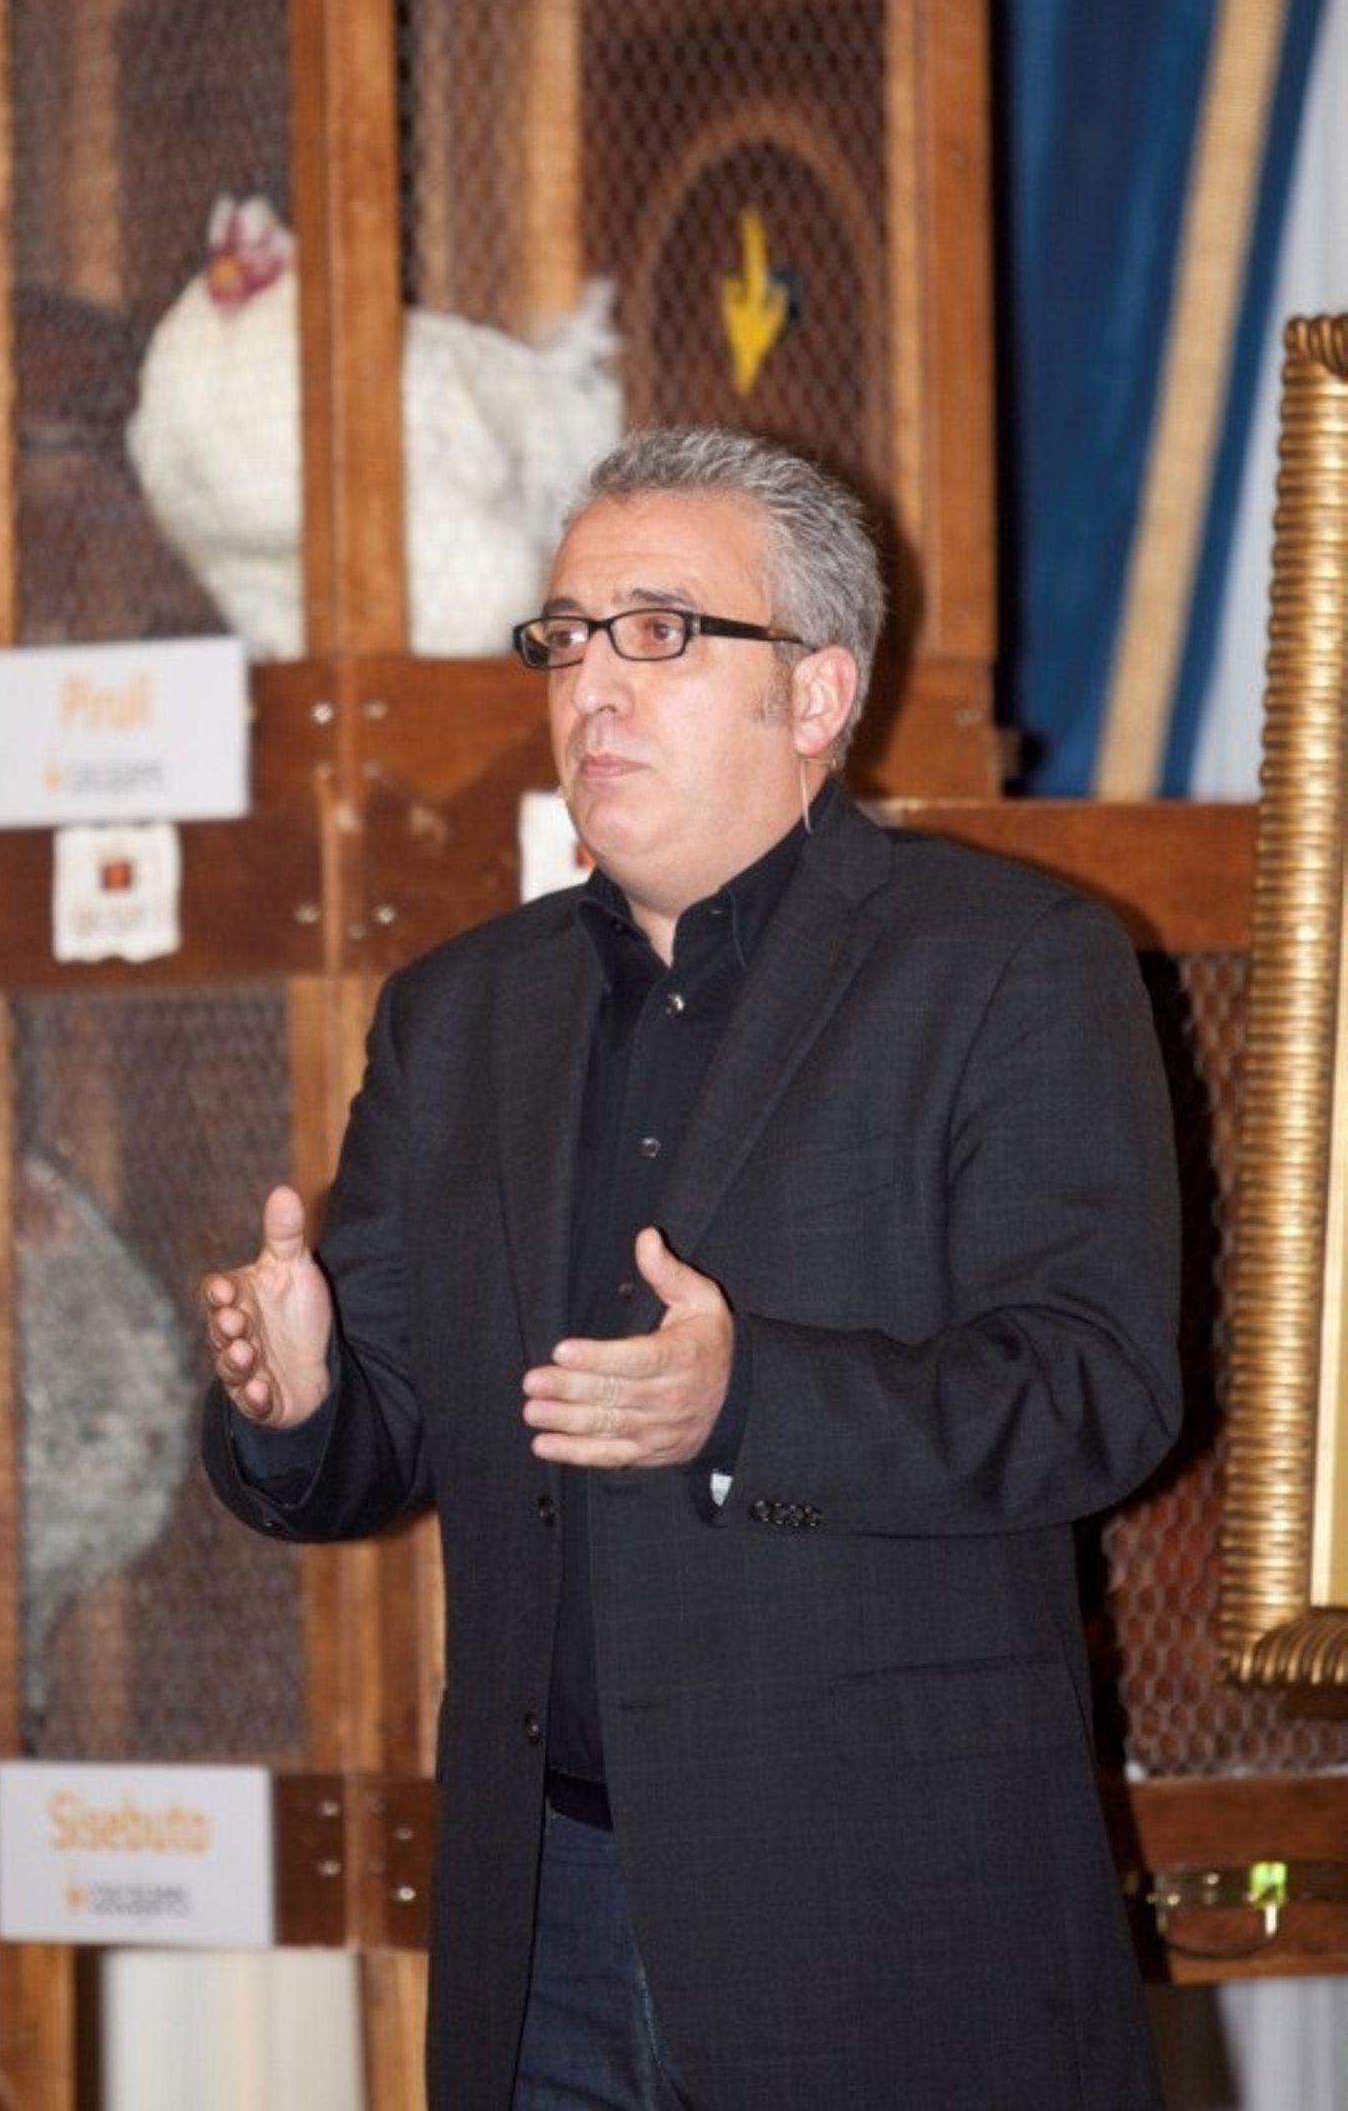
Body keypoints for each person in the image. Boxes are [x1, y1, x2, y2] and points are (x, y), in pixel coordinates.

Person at [199, 427, 1181, 2110]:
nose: (592, 684)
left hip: (883, 1916)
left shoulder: (1010, 964)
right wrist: (299, 1403)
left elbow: (1099, 1389)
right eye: (566, 637)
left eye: (658, 633)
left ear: (816, 695)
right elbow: (387, 1433)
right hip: (546, 1918)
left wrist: (751, 1399)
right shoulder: (458, 1016)